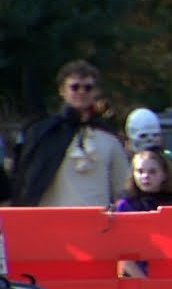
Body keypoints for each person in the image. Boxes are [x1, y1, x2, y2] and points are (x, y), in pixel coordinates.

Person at [11, 60, 130, 207]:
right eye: (75, 87)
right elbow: (26, 184)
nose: (81, 92)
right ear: (62, 90)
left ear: (96, 92)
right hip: (52, 224)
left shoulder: (109, 138)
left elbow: (123, 190)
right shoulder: (43, 133)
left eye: (88, 87)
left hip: (97, 225)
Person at [115, 147, 172, 278]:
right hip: (135, 277)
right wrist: (144, 281)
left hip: (170, 274)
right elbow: (121, 251)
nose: (145, 176)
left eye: (152, 172)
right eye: (140, 171)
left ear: (165, 174)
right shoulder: (125, 205)